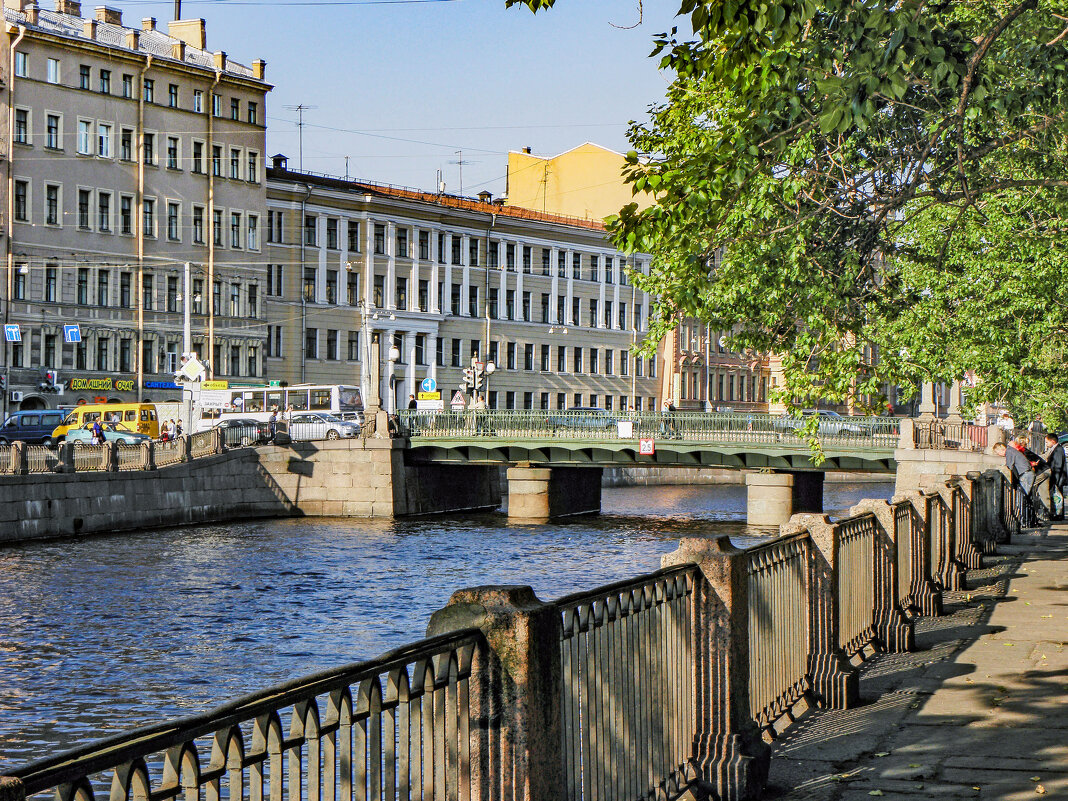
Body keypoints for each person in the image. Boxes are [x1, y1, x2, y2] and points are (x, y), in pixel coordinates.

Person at [995, 441, 1037, 527]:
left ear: (1001, 449)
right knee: (1025, 498)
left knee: (1021, 499)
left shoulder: (1009, 452)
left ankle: (1023, 521)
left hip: (1026, 475)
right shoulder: (1011, 451)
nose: (998, 454)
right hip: (1027, 474)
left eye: (997, 452)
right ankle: (1029, 520)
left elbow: (1009, 467)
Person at [1042, 432, 1067, 521]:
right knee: (1056, 496)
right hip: (1056, 477)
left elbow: (1058, 465)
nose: (1046, 444)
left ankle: (1058, 515)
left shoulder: (1058, 450)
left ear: (1052, 441)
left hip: (1057, 477)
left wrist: (1056, 479)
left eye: (1047, 442)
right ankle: (1056, 514)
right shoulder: (1056, 449)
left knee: (1057, 497)